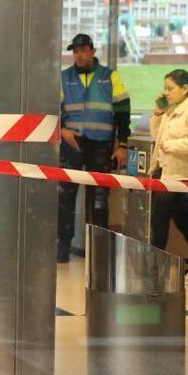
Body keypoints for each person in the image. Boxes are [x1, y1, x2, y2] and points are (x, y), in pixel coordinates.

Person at [57, 33, 132, 263]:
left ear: (92, 51)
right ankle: (63, 248)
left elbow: (123, 111)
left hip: (101, 145)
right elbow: (52, 109)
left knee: (100, 199)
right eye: (75, 51)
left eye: (83, 50)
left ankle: (99, 252)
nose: (79, 55)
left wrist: (122, 145)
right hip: (72, 144)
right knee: (65, 198)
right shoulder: (63, 78)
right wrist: (62, 130)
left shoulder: (109, 77)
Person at [148, 69, 188, 288]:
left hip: (182, 176)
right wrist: (157, 114)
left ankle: (154, 269)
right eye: (165, 88)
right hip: (166, 173)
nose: (167, 93)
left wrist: (172, 146)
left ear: (185, 89)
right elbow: (157, 137)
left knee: (159, 218)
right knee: (185, 222)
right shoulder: (171, 111)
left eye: (171, 89)